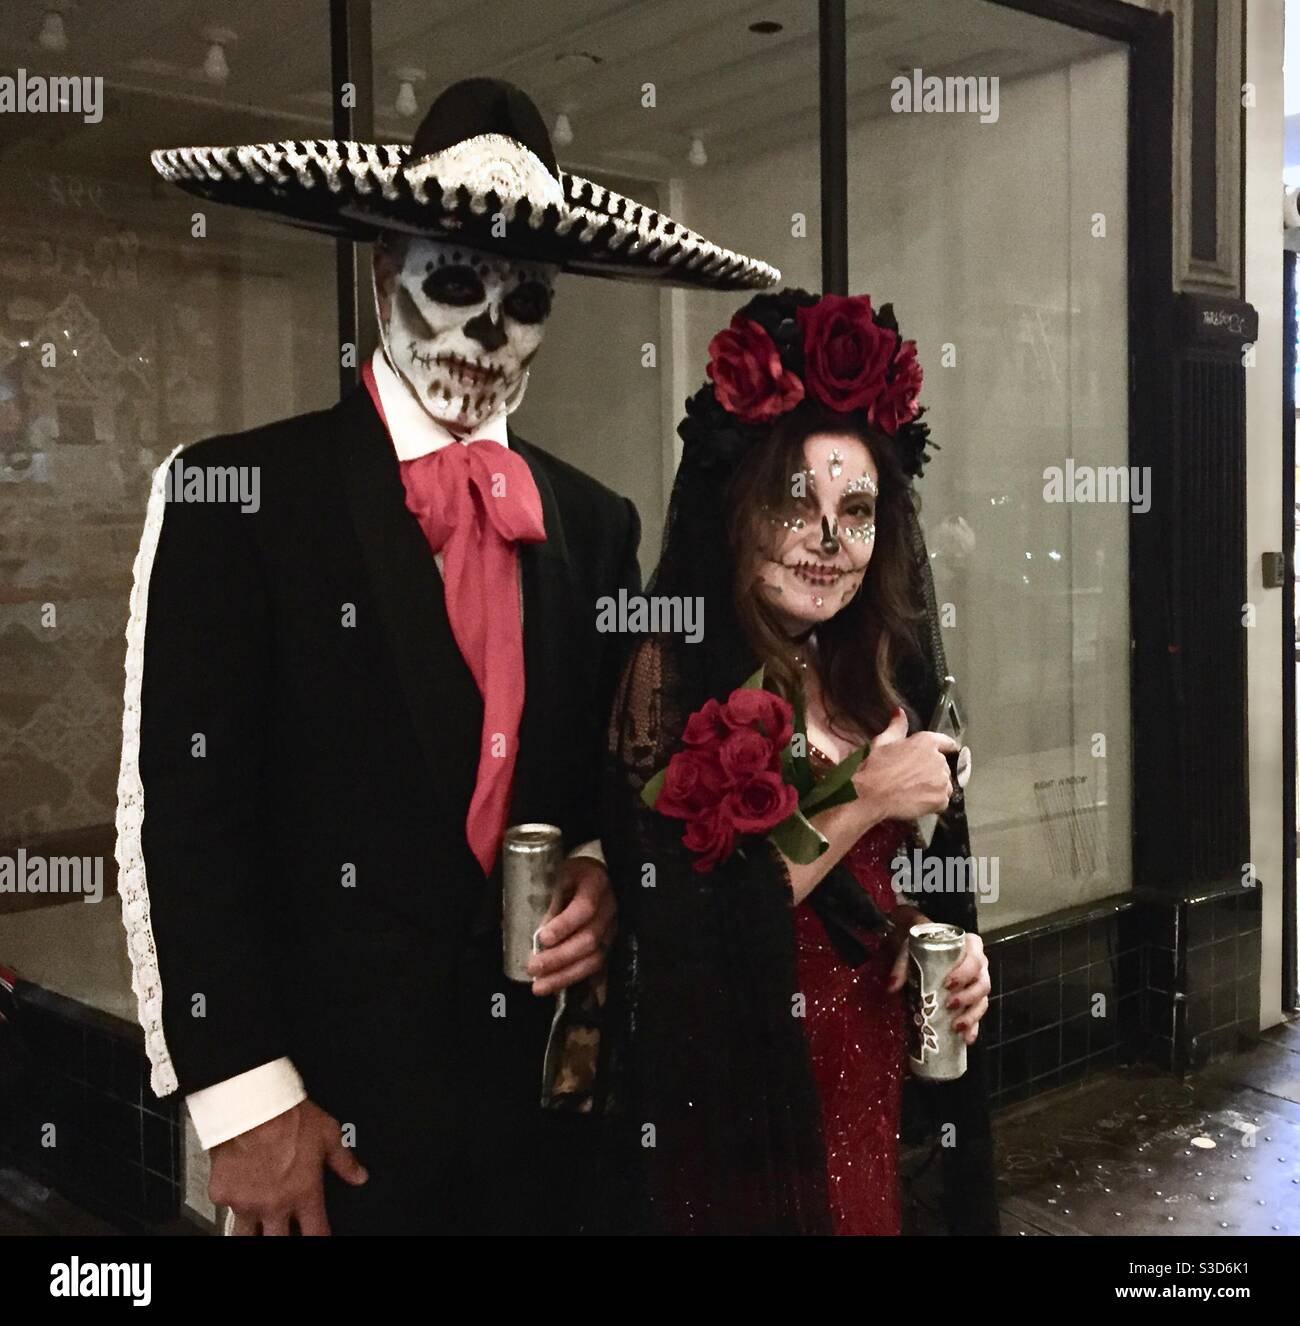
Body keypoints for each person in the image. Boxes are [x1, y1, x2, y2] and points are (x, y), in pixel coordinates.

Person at [113, 77, 780, 1235]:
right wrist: (244, 1101)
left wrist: (600, 872)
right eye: (455, 282)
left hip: (542, 1123)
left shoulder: (595, 521)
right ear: (382, 272)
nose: (486, 330)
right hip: (329, 1135)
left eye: (522, 299)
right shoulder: (238, 496)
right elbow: (184, 812)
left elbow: (604, 778)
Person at [593, 287, 996, 1234]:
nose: (827, 540)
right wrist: (861, 795)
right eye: (792, 502)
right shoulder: (669, 670)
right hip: (738, 1108)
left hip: (874, 1079)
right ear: (738, 511)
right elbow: (683, 929)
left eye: (855, 509)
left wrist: (959, 951)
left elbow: (925, 888)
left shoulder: (885, 676)